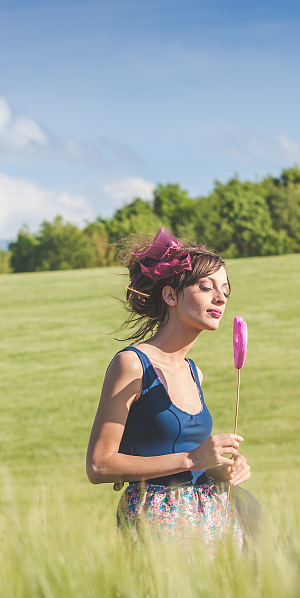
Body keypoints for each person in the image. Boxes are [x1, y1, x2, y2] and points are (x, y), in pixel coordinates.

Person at [85, 227, 251, 550]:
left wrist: (219, 469)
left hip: (209, 521)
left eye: (225, 291)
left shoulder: (194, 373)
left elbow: (192, 462)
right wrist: (192, 458)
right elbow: (99, 465)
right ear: (171, 296)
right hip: (157, 526)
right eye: (206, 287)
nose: (220, 298)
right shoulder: (132, 365)